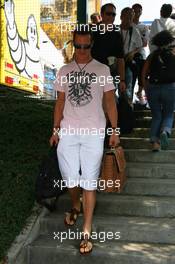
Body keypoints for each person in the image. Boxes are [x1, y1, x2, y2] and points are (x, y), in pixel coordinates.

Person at [50, 27, 120, 254]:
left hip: (93, 134)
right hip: (68, 132)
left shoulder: (102, 70)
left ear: (92, 46)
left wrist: (114, 130)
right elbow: (60, 103)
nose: (81, 51)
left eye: (86, 46)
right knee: (71, 180)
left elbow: (110, 102)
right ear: (73, 44)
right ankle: (75, 204)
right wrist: (55, 129)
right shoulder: (64, 70)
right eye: (77, 46)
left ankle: (86, 232)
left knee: (89, 183)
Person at [142, 30, 175, 151]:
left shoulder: (152, 55)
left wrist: (146, 87)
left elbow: (144, 72)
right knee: (168, 114)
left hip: (153, 88)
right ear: (169, 41)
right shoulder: (173, 54)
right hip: (170, 88)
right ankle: (165, 132)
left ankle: (155, 143)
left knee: (156, 116)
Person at [91, 3, 126, 93]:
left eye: (113, 14)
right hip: (92, 73)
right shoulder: (93, 31)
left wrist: (122, 80)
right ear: (102, 14)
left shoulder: (117, 34)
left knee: (109, 101)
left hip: (110, 74)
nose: (111, 16)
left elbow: (120, 58)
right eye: (108, 13)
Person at [120, 7, 142, 103]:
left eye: (131, 17)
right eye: (127, 17)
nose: (129, 19)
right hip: (115, 65)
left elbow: (140, 46)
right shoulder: (115, 30)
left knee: (127, 90)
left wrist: (132, 53)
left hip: (127, 64)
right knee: (111, 89)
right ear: (121, 17)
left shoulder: (134, 31)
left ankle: (127, 110)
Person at [132, 3, 149, 98]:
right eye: (135, 11)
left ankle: (139, 93)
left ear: (141, 12)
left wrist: (135, 42)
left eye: (139, 11)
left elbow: (145, 43)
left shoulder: (144, 26)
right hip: (129, 55)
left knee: (142, 75)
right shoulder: (128, 25)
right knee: (130, 77)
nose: (137, 13)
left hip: (141, 54)